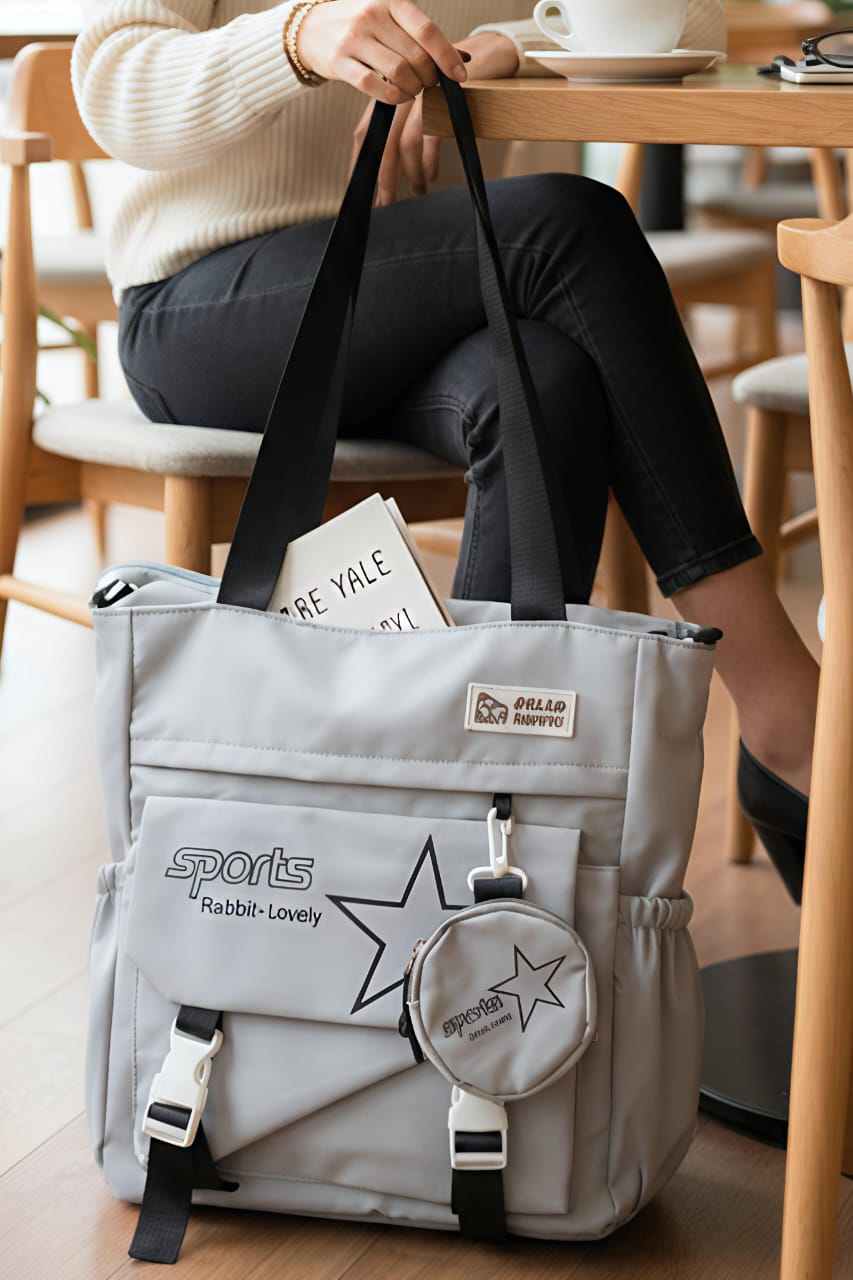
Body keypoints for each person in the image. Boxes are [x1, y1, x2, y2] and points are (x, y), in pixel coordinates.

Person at [72, 0, 817, 901]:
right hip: (209, 310)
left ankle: (467, 844)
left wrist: (511, 49)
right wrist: (297, 39)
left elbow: (689, 23)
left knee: (542, 385)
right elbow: (111, 85)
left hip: (423, 289)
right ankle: (787, 715)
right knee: (567, 222)